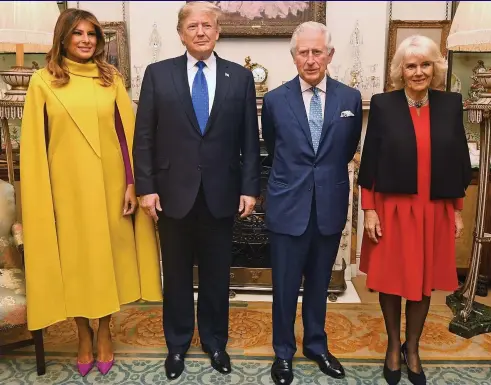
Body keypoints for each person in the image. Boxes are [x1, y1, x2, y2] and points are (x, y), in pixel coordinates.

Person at [20, 9, 162, 377]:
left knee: (106, 260)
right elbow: (36, 144)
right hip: (66, 189)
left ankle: (105, 331)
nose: (86, 40)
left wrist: (133, 183)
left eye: (92, 34)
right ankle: (82, 333)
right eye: (78, 33)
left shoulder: (110, 77)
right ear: (63, 38)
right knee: (77, 262)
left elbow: (125, 134)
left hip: (111, 185)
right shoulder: (42, 81)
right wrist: (43, 196)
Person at [133, 1, 261, 380]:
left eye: (208, 25)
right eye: (193, 26)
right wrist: (146, 188)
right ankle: (177, 344)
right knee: (174, 275)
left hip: (221, 192)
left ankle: (215, 342)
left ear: (218, 31)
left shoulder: (240, 77)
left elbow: (249, 141)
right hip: (172, 193)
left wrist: (250, 188)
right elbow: (144, 138)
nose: (201, 31)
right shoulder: (158, 75)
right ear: (181, 33)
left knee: (217, 275)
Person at [357, 35, 472, 385]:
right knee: (392, 281)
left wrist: (456, 210)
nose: (418, 72)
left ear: (435, 67)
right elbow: (370, 164)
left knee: (423, 284)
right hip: (393, 209)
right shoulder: (383, 104)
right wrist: (369, 211)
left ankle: (413, 348)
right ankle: (393, 347)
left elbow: (456, 161)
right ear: (400, 70)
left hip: (433, 207)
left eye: (425, 64)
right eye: (411, 65)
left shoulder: (451, 104)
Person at [261, 21, 363, 385]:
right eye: (302, 52)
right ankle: (283, 352)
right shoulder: (274, 100)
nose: (310, 59)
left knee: (320, 284)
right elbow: (274, 148)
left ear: (329, 54)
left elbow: (346, 150)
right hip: (288, 207)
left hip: (329, 206)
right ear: (293, 57)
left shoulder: (350, 99)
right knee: (285, 286)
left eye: (316, 51)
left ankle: (316, 345)